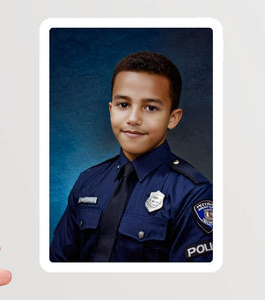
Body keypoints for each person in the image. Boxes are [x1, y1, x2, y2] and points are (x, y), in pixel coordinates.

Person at [50, 51, 213, 262]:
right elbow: (58, 263)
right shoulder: (88, 182)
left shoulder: (193, 193)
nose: (133, 119)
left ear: (172, 118)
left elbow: (191, 286)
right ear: (111, 110)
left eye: (150, 107)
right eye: (123, 105)